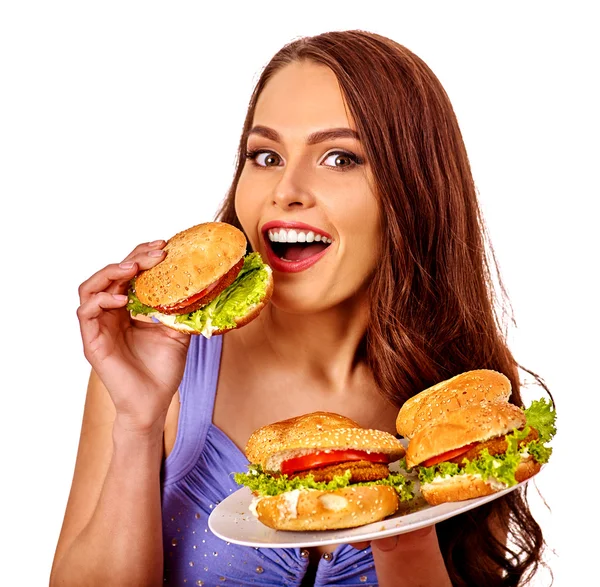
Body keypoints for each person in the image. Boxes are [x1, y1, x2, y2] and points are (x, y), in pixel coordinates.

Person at [50, 30, 548, 587]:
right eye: (265, 156)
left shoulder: (462, 391)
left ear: (414, 190)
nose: (285, 189)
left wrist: (403, 529)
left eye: (339, 157)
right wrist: (137, 424)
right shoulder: (161, 367)